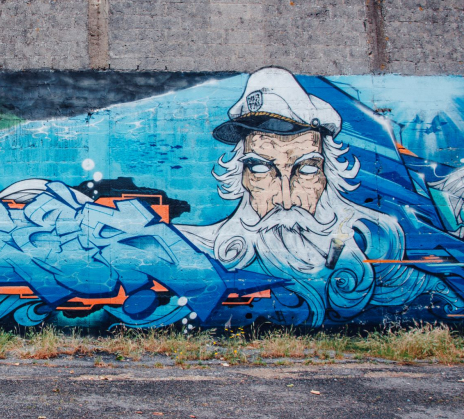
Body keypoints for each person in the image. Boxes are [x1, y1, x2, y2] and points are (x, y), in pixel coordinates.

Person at [177, 67, 461, 326]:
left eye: (307, 170)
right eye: (261, 168)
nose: (285, 199)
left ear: (330, 176)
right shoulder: (187, 250)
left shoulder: (386, 251)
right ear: (242, 177)